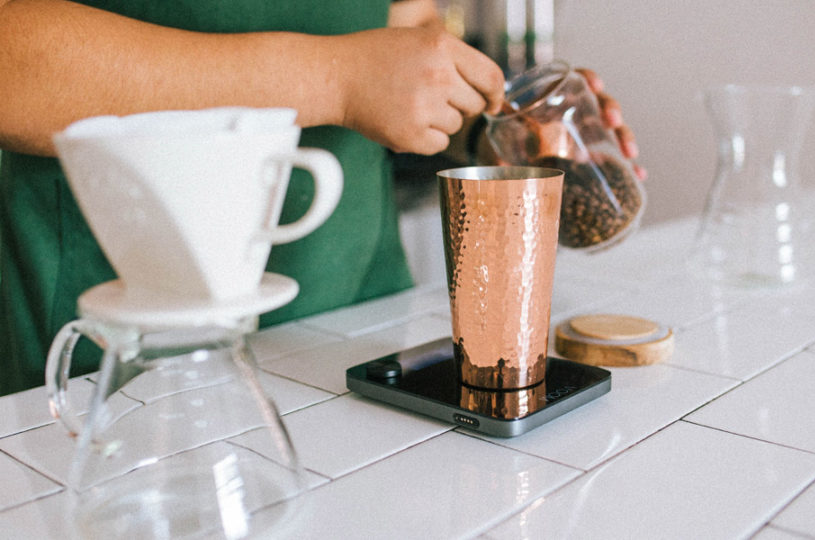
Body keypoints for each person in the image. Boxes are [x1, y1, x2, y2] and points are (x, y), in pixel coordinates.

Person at [0, 0, 642, 396]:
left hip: (364, 333)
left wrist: (491, 131)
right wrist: (337, 78)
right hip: (110, 352)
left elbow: (405, 22)